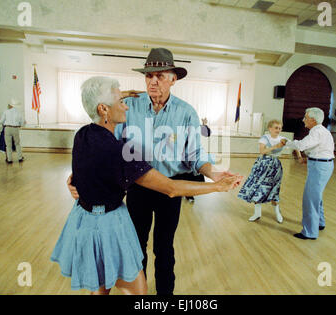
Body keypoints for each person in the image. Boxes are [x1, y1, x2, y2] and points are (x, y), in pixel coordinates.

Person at [68, 48, 241, 295]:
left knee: (164, 248)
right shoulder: (128, 107)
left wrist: (213, 173)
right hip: (138, 186)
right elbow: (107, 147)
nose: (153, 81)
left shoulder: (186, 112)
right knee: (136, 245)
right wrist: (81, 176)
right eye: (149, 76)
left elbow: (194, 156)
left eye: (160, 76)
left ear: (174, 79)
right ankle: (141, 293)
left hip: (172, 186)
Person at [284, 107, 335, 240]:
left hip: (320, 167)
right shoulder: (322, 131)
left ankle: (310, 232)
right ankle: (319, 223)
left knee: (310, 198)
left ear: (313, 119)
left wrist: (286, 142)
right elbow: (322, 149)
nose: (303, 120)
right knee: (316, 195)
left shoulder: (316, 132)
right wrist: (309, 158)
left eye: (305, 118)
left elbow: (301, 145)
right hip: (322, 165)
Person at [237, 119, 286, 223]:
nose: (278, 130)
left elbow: (294, 146)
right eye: (276, 128)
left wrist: (299, 156)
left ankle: (277, 213)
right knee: (258, 187)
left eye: (280, 128)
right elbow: (262, 151)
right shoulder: (264, 138)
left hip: (275, 166)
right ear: (270, 128)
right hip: (262, 165)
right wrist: (275, 146)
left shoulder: (283, 139)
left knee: (274, 189)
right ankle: (257, 213)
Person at [182, 117, 212, 203]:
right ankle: (182, 192)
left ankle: (189, 194)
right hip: (178, 156)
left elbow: (207, 133)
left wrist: (204, 125)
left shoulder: (194, 126)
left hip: (191, 155)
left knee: (190, 174)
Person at [0, 98, 25, 163]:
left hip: (7, 128)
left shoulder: (6, 111)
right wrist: (20, 125)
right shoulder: (19, 112)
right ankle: (20, 158)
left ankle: (9, 159)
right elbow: (22, 122)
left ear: (10, 105)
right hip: (15, 129)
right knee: (17, 144)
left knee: (8, 145)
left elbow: (1, 121)